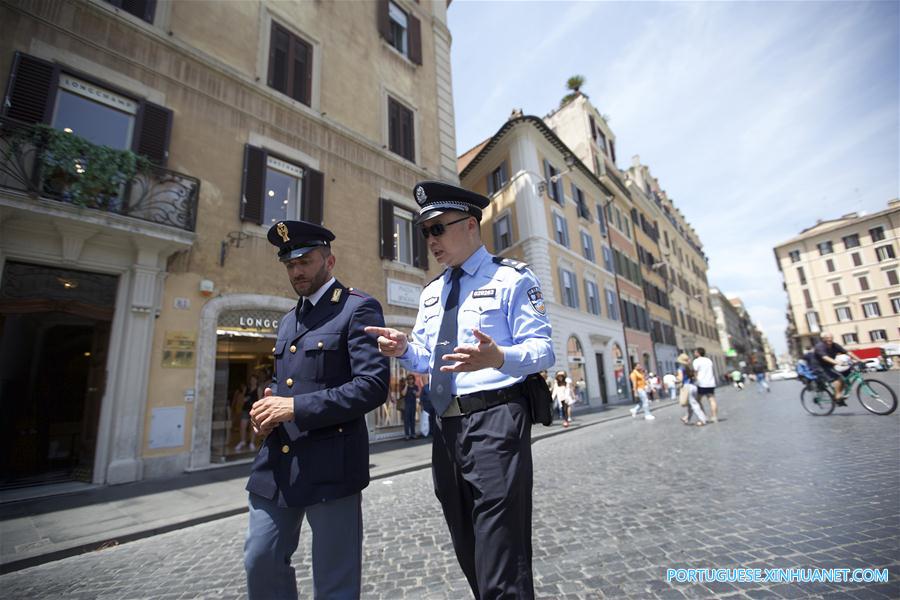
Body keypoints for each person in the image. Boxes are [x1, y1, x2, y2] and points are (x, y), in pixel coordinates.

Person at [365, 181, 554, 599]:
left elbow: (542, 350)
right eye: (425, 232)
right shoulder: (432, 292)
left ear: (470, 225)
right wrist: (403, 349)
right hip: (445, 426)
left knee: (501, 549)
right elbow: (425, 358)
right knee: (466, 543)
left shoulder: (512, 278)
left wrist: (498, 357)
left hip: (495, 419)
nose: (430, 240)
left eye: (438, 229)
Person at [243, 220, 390, 599]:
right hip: (278, 462)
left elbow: (372, 387)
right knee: (260, 558)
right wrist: (268, 406)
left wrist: (293, 407)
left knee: (334, 582)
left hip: (331, 463)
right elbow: (290, 383)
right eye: (290, 265)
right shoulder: (289, 319)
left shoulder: (357, 309)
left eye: (305, 261)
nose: (296, 272)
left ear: (330, 260)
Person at [812, 332, 860, 405]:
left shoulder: (835, 345)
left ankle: (838, 394)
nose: (830, 339)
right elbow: (825, 357)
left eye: (831, 338)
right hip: (819, 367)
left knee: (843, 379)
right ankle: (837, 396)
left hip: (830, 366)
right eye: (828, 338)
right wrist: (837, 362)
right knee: (838, 379)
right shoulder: (820, 346)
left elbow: (847, 352)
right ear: (823, 339)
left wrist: (859, 359)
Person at [676, 353, 706, 426]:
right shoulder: (689, 367)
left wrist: (676, 380)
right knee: (690, 405)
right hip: (693, 386)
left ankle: (703, 419)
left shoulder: (680, 368)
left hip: (687, 387)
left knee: (694, 404)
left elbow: (680, 378)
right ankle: (687, 418)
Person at [692, 348, 718, 423]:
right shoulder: (708, 360)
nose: (694, 353)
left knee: (698, 400)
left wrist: (695, 380)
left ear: (698, 353)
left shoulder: (696, 361)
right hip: (710, 382)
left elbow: (695, 372)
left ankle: (704, 416)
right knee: (712, 400)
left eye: (695, 352)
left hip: (701, 383)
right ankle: (714, 416)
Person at [235, 374, 259, 452]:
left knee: (252, 427)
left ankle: (252, 442)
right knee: (243, 426)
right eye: (251, 379)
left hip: (254, 409)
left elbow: (260, 399)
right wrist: (243, 399)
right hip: (245, 409)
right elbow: (242, 397)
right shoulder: (247, 388)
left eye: (254, 379)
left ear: (256, 380)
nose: (252, 381)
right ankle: (242, 441)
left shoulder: (258, 389)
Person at [401, 374, 419, 440]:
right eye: (409, 379)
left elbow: (418, 395)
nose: (410, 380)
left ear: (413, 380)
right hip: (406, 405)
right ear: (407, 380)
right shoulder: (405, 386)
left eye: (411, 379)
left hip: (413, 404)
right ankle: (407, 434)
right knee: (406, 420)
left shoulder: (415, 387)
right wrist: (406, 385)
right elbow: (403, 394)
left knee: (412, 420)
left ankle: (413, 434)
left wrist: (415, 393)